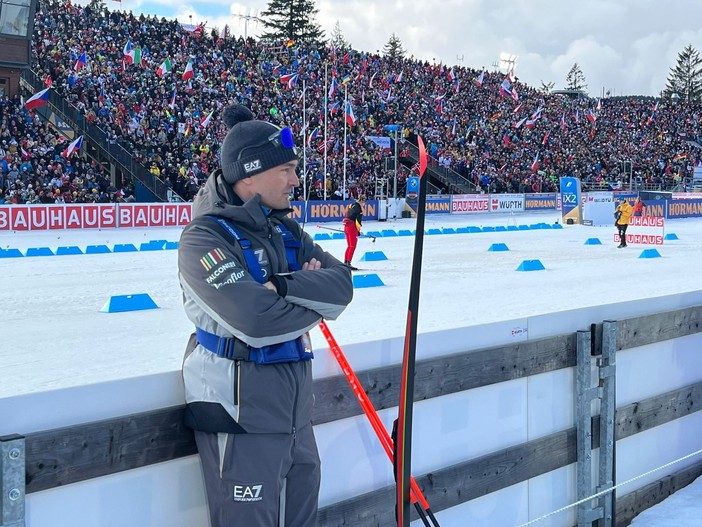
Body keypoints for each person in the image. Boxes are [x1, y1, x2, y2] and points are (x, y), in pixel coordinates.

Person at [177, 104, 354, 527]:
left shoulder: (285, 230)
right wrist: (312, 302)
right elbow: (256, 321)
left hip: (294, 418)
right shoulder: (202, 237)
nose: (296, 180)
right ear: (249, 175)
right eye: (287, 170)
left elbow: (343, 286)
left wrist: (284, 286)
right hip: (240, 420)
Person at [342, 194, 366, 270]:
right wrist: (358, 231)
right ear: (362, 201)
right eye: (364, 202)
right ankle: (348, 263)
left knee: (349, 246)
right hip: (352, 227)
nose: (364, 204)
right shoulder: (359, 209)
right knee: (353, 246)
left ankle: (345, 262)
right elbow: (358, 222)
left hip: (346, 226)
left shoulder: (351, 205)